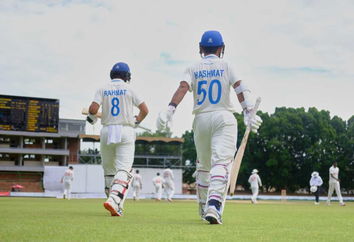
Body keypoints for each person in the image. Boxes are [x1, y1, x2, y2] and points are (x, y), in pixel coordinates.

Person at [156, 30, 262, 224]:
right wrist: (248, 111)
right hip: (223, 117)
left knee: (204, 166)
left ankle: (204, 205)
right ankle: (214, 205)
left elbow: (182, 88)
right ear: (221, 48)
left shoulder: (193, 67)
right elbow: (240, 88)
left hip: (201, 119)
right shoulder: (227, 65)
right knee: (221, 163)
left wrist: (170, 109)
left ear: (200, 48)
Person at [86, 62, 149, 216]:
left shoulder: (102, 88)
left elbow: (93, 110)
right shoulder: (130, 89)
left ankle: (113, 201)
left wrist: (92, 118)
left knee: (109, 170)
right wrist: (136, 121)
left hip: (107, 130)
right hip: (125, 130)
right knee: (124, 169)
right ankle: (114, 200)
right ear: (127, 76)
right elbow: (145, 110)